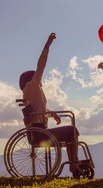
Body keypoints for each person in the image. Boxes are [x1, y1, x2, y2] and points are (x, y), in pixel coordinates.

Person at [19, 33, 80, 177]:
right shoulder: (32, 87)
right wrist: (47, 45)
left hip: (38, 132)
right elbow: (41, 65)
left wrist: (51, 112)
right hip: (39, 134)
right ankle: (74, 166)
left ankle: (74, 165)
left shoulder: (29, 93)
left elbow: (37, 110)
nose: (41, 81)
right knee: (73, 131)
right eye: (38, 78)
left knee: (71, 133)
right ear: (31, 79)